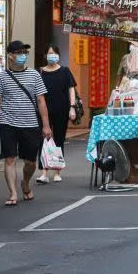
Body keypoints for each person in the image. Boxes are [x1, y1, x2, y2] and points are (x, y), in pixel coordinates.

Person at [0, 41, 52, 206]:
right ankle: (13, 193)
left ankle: (25, 183)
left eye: (25, 52)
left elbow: (41, 101)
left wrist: (46, 125)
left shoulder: (35, 75)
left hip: (30, 124)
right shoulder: (1, 76)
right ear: (10, 55)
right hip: (8, 123)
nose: (23, 55)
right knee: (10, 158)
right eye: (20, 52)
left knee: (30, 162)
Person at [36, 45, 77, 184]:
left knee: (59, 139)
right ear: (45, 56)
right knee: (43, 139)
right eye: (49, 53)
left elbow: (71, 90)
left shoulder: (65, 71)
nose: (52, 56)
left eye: (54, 53)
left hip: (62, 109)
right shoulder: (40, 72)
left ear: (58, 55)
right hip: (44, 111)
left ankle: (57, 171)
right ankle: (43, 172)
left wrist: (72, 107)